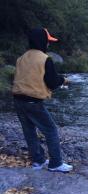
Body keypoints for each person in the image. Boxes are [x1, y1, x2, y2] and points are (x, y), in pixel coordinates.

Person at [12, 28, 73, 173]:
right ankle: (55, 163)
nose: (48, 44)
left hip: (18, 101)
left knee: (29, 132)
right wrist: (63, 80)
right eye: (48, 41)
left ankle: (38, 161)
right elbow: (52, 82)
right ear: (42, 41)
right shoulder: (45, 59)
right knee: (51, 131)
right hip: (33, 103)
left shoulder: (21, 58)